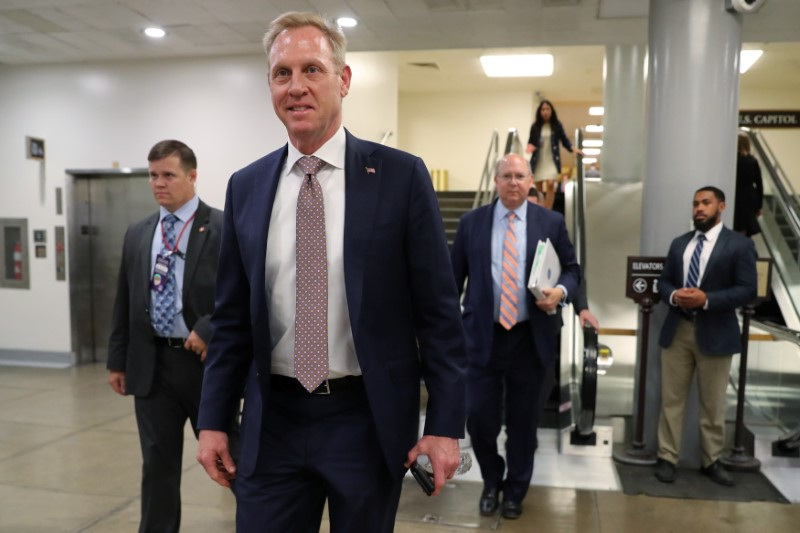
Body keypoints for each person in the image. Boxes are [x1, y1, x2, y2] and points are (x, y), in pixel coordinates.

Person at [195, 11, 467, 533]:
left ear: (343, 80)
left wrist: (445, 425)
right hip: (271, 421)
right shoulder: (246, 187)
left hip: (365, 421)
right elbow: (229, 320)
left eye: (312, 70)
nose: (296, 87)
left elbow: (437, 314)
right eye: (282, 74)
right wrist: (212, 419)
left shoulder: (400, 177)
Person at [450, 153, 580, 519]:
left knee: (524, 425)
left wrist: (561, 292)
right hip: (483, 339)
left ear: (530, 182)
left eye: (520, 176)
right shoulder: (472, 222)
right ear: (495, 181)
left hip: (530, 339)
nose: (513, 182)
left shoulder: (550, 222)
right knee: (479, 420)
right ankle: (492, 480)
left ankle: (514, 491)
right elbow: (451, 279)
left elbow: (572, 270)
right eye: (506, 175)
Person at [107, 140, 228, 532]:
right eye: (153, 176)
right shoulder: (140, 232)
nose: (159, 184)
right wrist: (117, 359)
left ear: (192, 177)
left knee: (231, 459)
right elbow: (125, 298)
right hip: (152, 365)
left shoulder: (224, 227)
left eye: (168, 175)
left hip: (205, 364)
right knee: (157, 467)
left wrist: (208, 327)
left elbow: (243, 293)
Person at [654, 186, 757, 487]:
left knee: (712, 404)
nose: (699, 208)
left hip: (717, 332)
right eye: (696, 203)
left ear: (721, 207)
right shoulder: (680, 244)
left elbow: (747, 289)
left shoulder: (738, 245)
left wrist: (706, 299)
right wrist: (674, 296)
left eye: (706, 203)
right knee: (671, 400)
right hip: (678, 331)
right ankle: (666, 457)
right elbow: (663, 282)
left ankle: (711, 460)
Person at [525, 100, 583, 210]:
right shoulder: (535, 126)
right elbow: (530, 142)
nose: (545, 112)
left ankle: (548, 209)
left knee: (551, 183)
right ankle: (539, 209)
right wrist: (530, 148)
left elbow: (564, 140)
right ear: (539, 112)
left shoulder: (557, 125)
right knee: (538, 187)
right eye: (543, 109)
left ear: (551, 111)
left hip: (552, 160)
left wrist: (574, 149)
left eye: (547, 109)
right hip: (539, 160)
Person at [733, 133, 763, 237]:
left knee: (735, 226)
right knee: (746, 229)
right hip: (750, 198)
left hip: (735, 196)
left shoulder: (732, 160)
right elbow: (759, 184)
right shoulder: (752, 161)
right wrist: (759, 206)